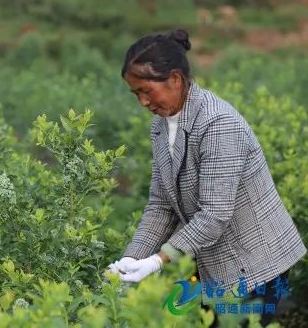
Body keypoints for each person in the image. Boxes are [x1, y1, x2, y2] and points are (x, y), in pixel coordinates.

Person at [107, 30, 306, 326]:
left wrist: (158, 260)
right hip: (212, 258)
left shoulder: (218, 124)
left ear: (175, 79)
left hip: (254, 261)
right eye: (136, 94)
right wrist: (133, 259)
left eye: (147, 91)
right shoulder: (161, 127)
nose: (144, 103)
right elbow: (161, 204)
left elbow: (214, 215)